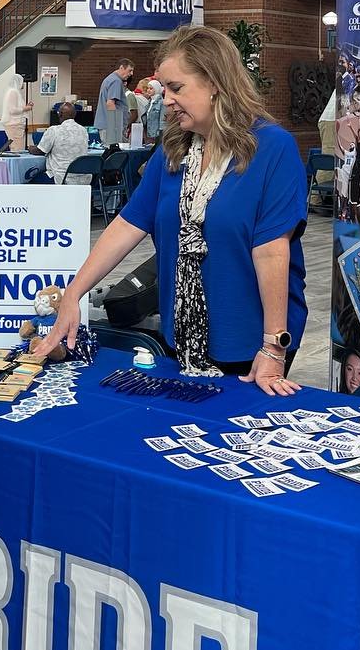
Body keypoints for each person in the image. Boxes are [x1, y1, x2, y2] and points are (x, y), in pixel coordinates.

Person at [38, 26, 307, 394]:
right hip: (180, 335)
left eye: (176, 88)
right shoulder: (173, 150)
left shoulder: (274, 148)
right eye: (163, 88)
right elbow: (127, 225)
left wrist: (274, 346)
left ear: (215, 83)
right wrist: (73, 294)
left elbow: (273, 250)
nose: (165, 99)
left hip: (251, 341)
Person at [30, 101, 90, 184]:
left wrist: (30, 149)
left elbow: (40, 151)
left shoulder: (54, 130)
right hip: (82, 179)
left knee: (30, 180)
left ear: (60, 114)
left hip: (61, 177)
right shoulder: (83, 131)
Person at [95, 58, 133, 145]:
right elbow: (110, 103)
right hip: (111, 127)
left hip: (106, 125)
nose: (131, 74)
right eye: (130, 70)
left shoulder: (110, 79)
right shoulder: (116, 81)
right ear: (121, 67)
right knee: (115, 155)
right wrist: (115, 127)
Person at [2, 72, 31, 151]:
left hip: (15, 125)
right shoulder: (13, 92)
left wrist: (26, 106)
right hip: (14, 125)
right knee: (17, 149)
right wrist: (26, 108)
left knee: (17, 148)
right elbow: (12, 110)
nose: (23, 84)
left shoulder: (14, 92)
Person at [142, 79, 164, 144]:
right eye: (148, 88)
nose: (148, 90)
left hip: (156, 135)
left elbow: (162, 120)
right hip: (148, 134)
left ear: (156, 89)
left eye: (151, 88)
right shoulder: (149, 102)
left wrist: (160, 135)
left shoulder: (161, 103)